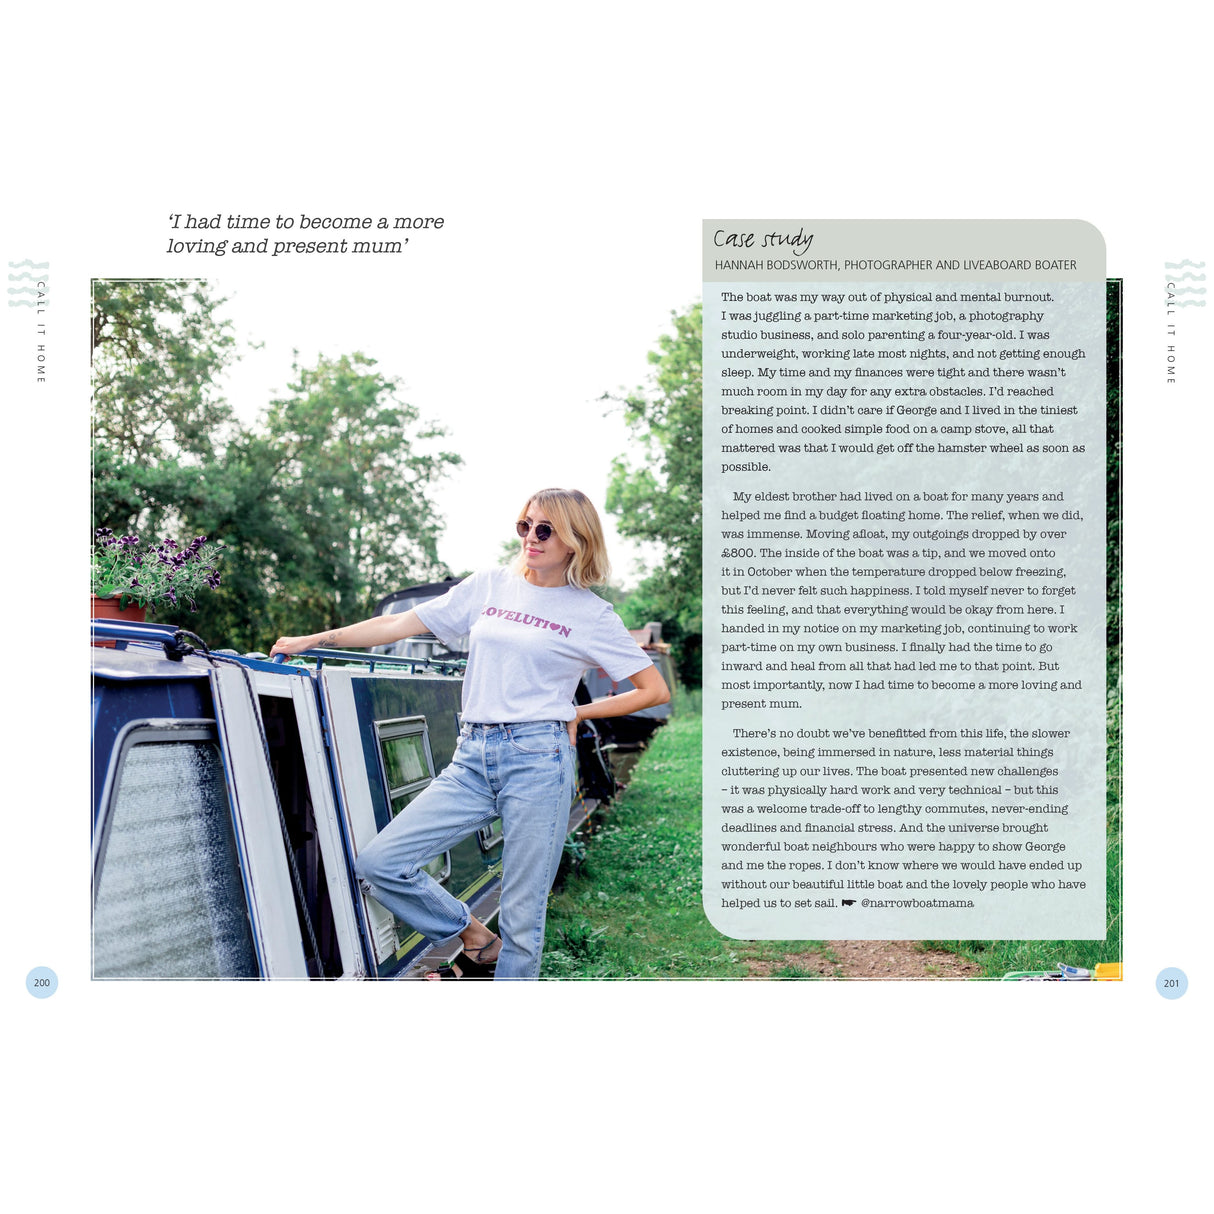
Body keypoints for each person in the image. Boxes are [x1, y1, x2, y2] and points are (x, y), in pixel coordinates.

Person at [270, 487, 670, 979]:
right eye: (525, 525)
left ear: (574, 540)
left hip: (537, 760)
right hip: (473, 756)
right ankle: (473, 934)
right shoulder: (489, 586)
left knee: (524, 919)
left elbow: (651, 689)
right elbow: (398, 624)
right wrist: (315, 640)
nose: (531, 537)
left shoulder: (591, 615)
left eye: (544, 529)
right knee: (381, 862)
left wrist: (579, 713)